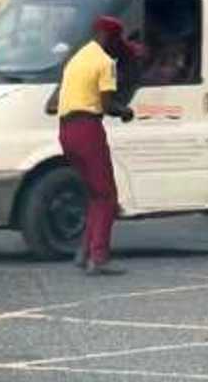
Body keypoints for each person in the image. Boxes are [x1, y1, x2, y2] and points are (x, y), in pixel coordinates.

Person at [58, 16, 136, 276]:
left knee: (94, 193)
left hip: (66, 131)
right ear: (111, 38)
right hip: (88, 129)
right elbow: (106, 105)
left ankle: (84, 252)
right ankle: (99, 258)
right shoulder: (104, 62)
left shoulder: (78, 57)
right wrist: (125, 111)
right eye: (116, 41)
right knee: (106, 197)